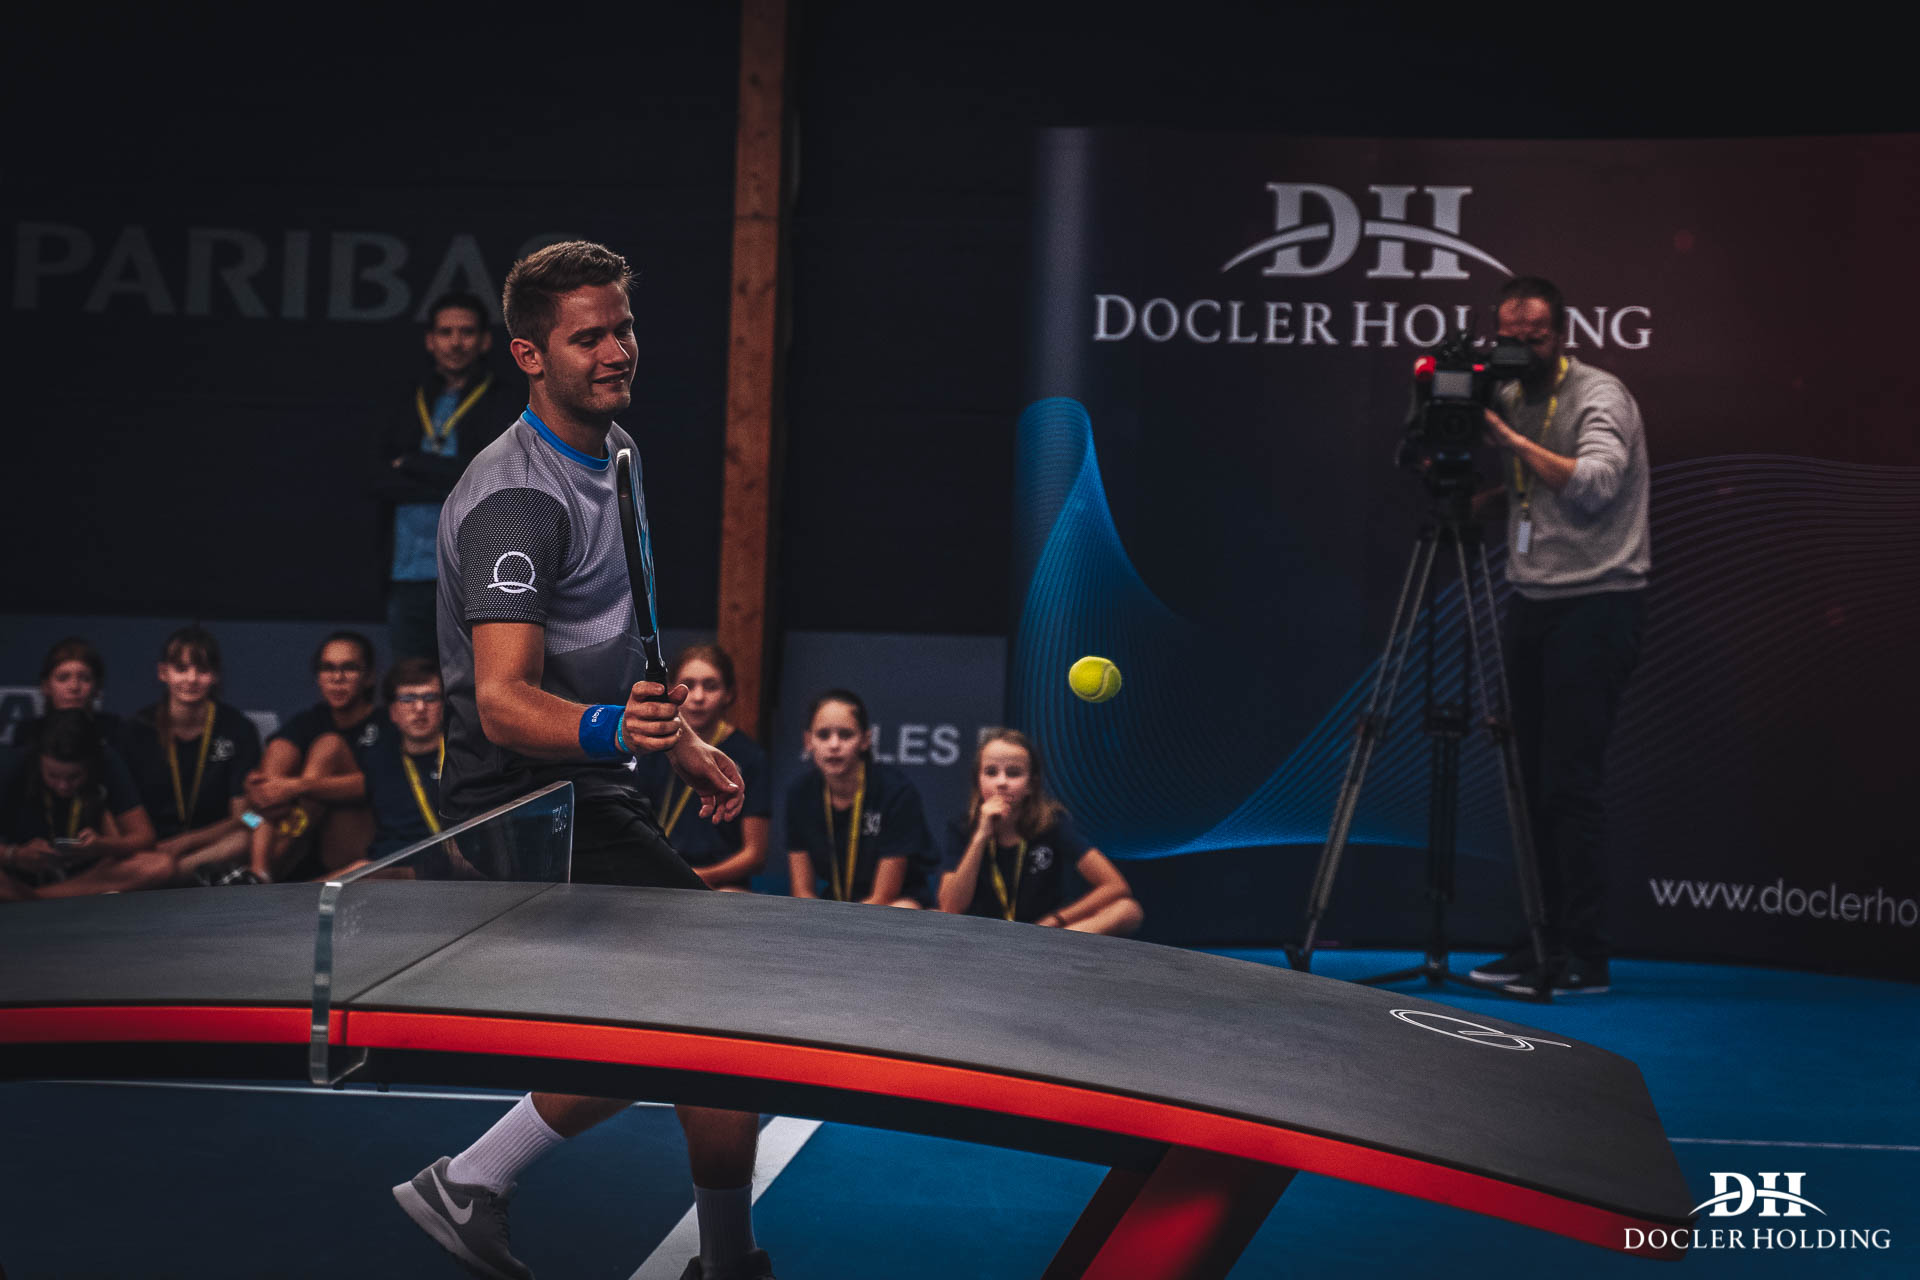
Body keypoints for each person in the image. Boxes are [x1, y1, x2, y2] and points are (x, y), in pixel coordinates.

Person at [390, 240, 770, 1280]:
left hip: (587, 782)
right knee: (714, 1002)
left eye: (624, 328)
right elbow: (504, 704)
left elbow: (611, 628)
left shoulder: (619, 452)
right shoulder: (517, 499)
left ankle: (711, 1255)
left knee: (700, 1015)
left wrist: (675, 735)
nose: (616, 351)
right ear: (528, 354)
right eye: (587, 337)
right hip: (522, 802)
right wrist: (617, 732)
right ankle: (480, 1180)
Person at [1468, 276, 1650, 997]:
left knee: (1569, 785)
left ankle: (1585, 955)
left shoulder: (1600, 396)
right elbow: (1531, 491)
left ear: (1562, 335)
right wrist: (1476, 497)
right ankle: (1537, 940)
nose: (1520, 351)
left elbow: (1596, 485)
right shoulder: (1510, 395)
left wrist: (1506, 439)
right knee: (1528, 785)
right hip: (1532, 602)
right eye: (1508, 339)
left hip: (1597, 606)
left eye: (1534, 338)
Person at [378, 291, 517, 663]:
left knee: (477, 683)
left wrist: (412, 463)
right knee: (410, 682)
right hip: (408, 570)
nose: (456, 342)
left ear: (484, 341)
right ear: (430, 340)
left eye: (467, 332)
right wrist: (452, 476)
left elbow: (489, 478)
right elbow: (378, 478)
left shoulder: (507, 401)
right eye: (445, 332)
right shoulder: (404, 399)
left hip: (476, 573)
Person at [937, 729, 1144, 936]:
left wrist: (1057, 919)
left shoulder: (1052, 823)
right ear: (978, 780)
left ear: (1031, 784)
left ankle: (1053, 951)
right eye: (991, 772)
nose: (1002, 782)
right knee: (932, 915)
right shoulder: (963, 827)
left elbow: (1115, 885)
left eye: (1013, 773)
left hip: (1044, 936)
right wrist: (981, 836)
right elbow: (951, 907)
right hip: (981, 936)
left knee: (1127, 909)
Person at [113, 626, 262, 883]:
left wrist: (186, 842)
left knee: (254, 828)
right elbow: (118, 812)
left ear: (215, 676)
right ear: (163, 673)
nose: (192, 679)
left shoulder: (238, 729)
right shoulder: (136, 730)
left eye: (202, 670)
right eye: (181, 669)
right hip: (150, 846)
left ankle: (163, 878)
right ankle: (158, 875)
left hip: (211, 843)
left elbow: (244, 816)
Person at [241, 632, 381, 881]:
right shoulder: (308, 721)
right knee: (278, 755)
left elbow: (374, 785)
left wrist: (297, 786)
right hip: (291, 831)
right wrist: (257, 788)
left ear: (369, 677)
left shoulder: (385, 723)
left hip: (359, 843)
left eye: (349, 668)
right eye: (328, 668)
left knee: (328, 747)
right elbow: (255, 800)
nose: (337, 678)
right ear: (318, 677)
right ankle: (258, 870)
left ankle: (262, 873)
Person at [631, 643, 769, 891]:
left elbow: (754, 855)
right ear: (672, 691)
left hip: (720, 883)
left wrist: (698, 876)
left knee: (729, 896)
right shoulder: (653, 748)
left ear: (729, 694)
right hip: (663, 874)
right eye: (689, 685)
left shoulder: (750, 757)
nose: (698, 697)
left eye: (711, 686)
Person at [783, 689, 936, 909]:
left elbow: (883, 896)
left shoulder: (897, 793)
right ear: (808, 741)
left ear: (865, 740)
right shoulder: (799, 795)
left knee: (901, 908)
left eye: (845, 735)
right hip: (837, 903)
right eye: (823, 735)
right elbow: (802, 891)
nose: (834, 745)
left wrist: (837, 923)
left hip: (894, 903)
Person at [0, 709, 171, 898]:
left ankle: (34, 898)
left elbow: (144, 837)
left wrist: (102, 846)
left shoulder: (106, 760)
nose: (63, 785)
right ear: (38, 760)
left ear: (90, 763)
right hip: (20, 874)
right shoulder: (13, 764)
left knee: (160, 865)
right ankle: (37, 897)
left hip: (86, 875)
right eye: (53, 775)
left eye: (74, 776)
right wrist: (13, 855)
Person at [361, 657, 448, 862]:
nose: (420, 707)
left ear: (444, 706)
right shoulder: (378, 761)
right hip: (392, 864)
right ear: (392, 712)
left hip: (455, 866)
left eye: (430, 697)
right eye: (408, 699)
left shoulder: (467, 756)